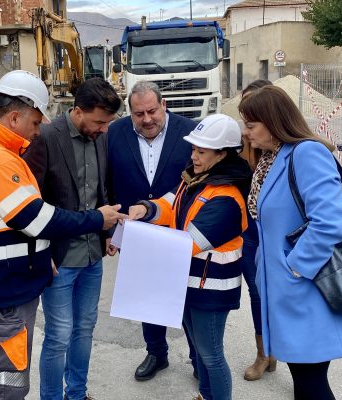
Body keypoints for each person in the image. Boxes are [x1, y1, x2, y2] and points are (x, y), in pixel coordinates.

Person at [0, 70, 126, 400]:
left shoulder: (2, 153)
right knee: (6, 383)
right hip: (2, 289)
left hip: (9, 284)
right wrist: (96, 220)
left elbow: (22, 219)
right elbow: (35, 217)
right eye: (35, 123)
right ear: (16, 116)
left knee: (11, 379)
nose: (38, 130)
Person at [238, 85, 342, 400]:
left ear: (273, 121)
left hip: (308, 293)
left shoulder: (307, 152)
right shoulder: (273, 157)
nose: (246, 132)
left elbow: (331, 222)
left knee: (311, 384)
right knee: (304, 381)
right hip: (288, 294)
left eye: (251, 125)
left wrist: (295, 267)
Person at [128, 114, 249, 400]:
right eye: (193, 149)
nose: (193, 156)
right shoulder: (196, 179)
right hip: (189, 283)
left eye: (201, 151)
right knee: (199, 348)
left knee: (211, 355)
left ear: (223, 154)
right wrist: (145, 210)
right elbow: (170, 204)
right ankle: (206, 394)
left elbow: (187, 243)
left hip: (211, 290)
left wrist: (136, 241)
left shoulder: (227, 197)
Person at [23, 78, 122, 400]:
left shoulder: (99, 138)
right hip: (59, 260)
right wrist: (40, 252)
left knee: (84, 331)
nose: (105, 129)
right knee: (58, 336)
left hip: (92, 256)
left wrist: (107, 232)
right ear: (77, 111)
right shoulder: (46, 139)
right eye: (99, 122)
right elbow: (29, 204)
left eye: (108, 123)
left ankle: (76, 394)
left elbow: (101, 192)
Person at [105, 80, 197, 381]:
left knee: (188, 297)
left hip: (182, 230)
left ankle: (199, 356)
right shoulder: (114, 133)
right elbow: (106, 181)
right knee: (148, 296)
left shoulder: (191, 131)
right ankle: (156, 352)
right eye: (139, 113)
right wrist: (110, 231)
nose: (147, 120)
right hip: (137, 230)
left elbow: (198, 177)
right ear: (130, 112)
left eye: (152, 111)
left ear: (164, 105)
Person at [238, 79, 276, 381]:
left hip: (277, 236)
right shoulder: (248, 148)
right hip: (250, 233)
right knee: (257, 292)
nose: (247, 127)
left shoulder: (291, 149)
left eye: (252, 120)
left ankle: (281, 348)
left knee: (280, 294)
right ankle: (264, 353)